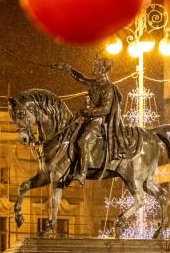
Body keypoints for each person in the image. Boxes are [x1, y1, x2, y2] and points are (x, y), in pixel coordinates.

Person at [51, 56, 128, 185]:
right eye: (95, 67)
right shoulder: (94, 83)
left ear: (104, 70)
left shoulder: (107, 88)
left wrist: (87, 112)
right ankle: (69, 169)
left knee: (83, 141)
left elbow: (105, 109)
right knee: (67, 137)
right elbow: (80, 78)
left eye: (97, 67)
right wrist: (68, 68)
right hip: (87, 119)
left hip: (98, 122)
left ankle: (82, 172)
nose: (94, 70)